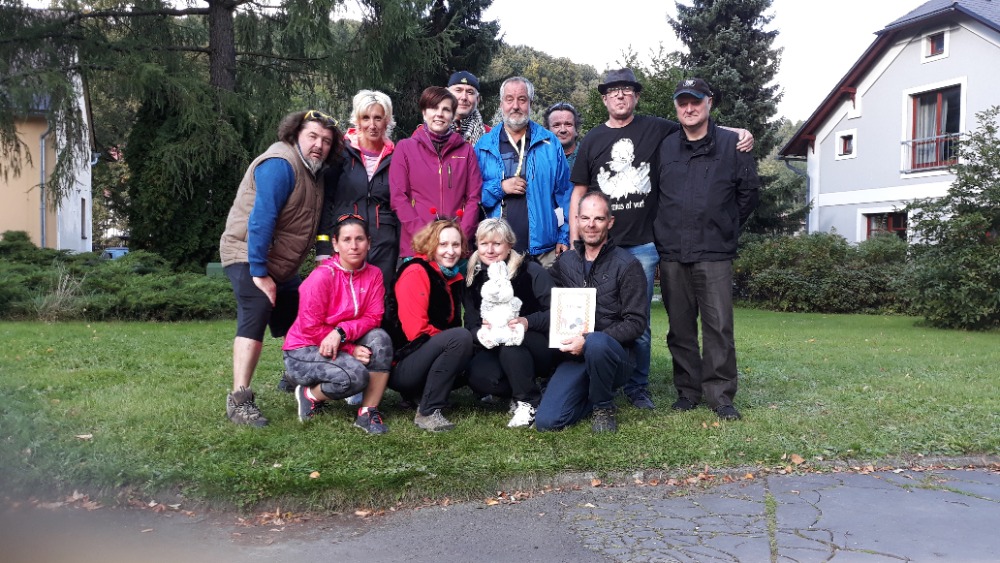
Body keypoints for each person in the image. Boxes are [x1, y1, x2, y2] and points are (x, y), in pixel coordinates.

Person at [569, 68, 754, 411]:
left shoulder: (660, 130)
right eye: (613, 91)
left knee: (658, 324)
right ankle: (610, 383)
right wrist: (574, 240)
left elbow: (701, 131)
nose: (620, 95)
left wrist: (738, 132)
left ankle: (656, 390)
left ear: (636, 96)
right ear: (604, 98)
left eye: (627, 89)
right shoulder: (608, 140)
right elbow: (579, 190)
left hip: (653, 246)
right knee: (617, 320)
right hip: (622, 247)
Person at [219, 109, 343, 426]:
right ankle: (239, 400)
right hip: (247, 253)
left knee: (304, 312)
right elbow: (261, 219)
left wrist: (323, 255)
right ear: (295, 134)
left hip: (280, 264)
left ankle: (294, 375)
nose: (319, 145)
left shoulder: (315, 173)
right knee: (258, 306)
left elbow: (318, 224)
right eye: (312, 136)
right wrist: (260, 274)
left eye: (326, 140)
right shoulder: (280, 164)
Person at [654, 78, 760, 421]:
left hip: (714, 252)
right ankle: (687, 391)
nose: (689, 108)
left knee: (719, 327)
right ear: (676, 107)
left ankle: (720, 396)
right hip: (673, 252)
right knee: (680, 328)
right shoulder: (665, 147)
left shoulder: (733, 144)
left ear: (709, 103)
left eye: (695, 101)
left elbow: (748, 194)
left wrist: (724, 224)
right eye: (683, 102)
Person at [535, 191, 647, 433]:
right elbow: (546, 298)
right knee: (547, 422)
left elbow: (636, 322)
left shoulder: (628, 265)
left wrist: (587, 340)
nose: (591, 225)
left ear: (610, 222)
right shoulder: (566, 262)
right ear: (576, 220)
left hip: (614, 355)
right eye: (585, 218)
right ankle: (586, 393)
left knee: (596, 342)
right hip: (575, 356)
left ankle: (603, 407)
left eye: (598, 219)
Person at [282, 215, 393, 433]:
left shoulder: (374, 274)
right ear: (335, 244)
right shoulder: (321, 276)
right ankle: (309, 395)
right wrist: (350, 349)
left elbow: (373, 316)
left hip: (339, 341)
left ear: (369, 242)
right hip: (304, 350)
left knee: (381, 339)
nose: (354, 246)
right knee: (355, 376)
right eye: (346, 239)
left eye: (359, 239)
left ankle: (367, 413)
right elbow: (310, 328)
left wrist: (341, 332)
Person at [463, 218, 554, 428]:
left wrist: (527, 322)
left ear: (509, 245)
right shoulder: (473, 277)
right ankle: (518, 390)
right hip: (496, 344)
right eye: (484, 243)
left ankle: (529, 402)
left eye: (497, 243)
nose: (490, 250)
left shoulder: (530, 270)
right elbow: (470, 322)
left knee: (512, 343)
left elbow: (556, 312)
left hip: (536, 343)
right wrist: (481, 332)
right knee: (479, 376)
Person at [475, 76, 571, 268]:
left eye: (522, 99)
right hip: (497, 252)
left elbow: (565, 194)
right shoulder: (484, 145)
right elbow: (474, 197)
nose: (515, 106)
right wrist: (500, 187)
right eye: (509, 99)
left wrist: (564, 236)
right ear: (501, 104)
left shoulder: (549, 143)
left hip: (544, 252)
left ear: (531, 104)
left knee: (546, 289)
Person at [389, 220, 475, 432]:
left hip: (424, 354)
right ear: (430, 245)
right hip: (402, 363)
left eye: (456, 245)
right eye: (443, 244)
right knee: (461, 339)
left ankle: (419, 395)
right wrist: (456, 344)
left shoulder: (451, 275)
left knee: (470, 346)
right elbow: (415, 332)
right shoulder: (416, 271)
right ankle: (428, 411)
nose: (450, 251)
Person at [316, 90, 398, 294]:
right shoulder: (340, 153)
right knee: (343, 301)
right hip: (346, 242)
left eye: (378, 118)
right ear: (357, 120)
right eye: (366, 118)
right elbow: (326, 201)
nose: (372, 125)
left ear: (387, 121)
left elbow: (400, 206)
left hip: (384, 246)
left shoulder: (397, 157)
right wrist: (323, 248)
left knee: (381, 302)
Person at [390, 86, 482, 258]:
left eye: (446, 109)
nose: (439, 114)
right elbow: (398, 198)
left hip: (455, 248)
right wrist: (425, 236)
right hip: (418, 245)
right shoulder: (405, 148)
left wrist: (460, 237)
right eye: (434, 108)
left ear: (452, 116)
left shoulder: (466, 151)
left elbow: (474, 197)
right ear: (424, 112)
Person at [447, 70, 491, 146]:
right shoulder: (428, 132)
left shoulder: (490, 135)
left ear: (477, 99)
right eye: (458, 90)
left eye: (470, 92)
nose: (464, 97)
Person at [544, 102, 582, 171]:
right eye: (556, 125)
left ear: (576, 129)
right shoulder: (537, 159)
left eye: (568, 124)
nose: (563, 130)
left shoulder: (589, 156)